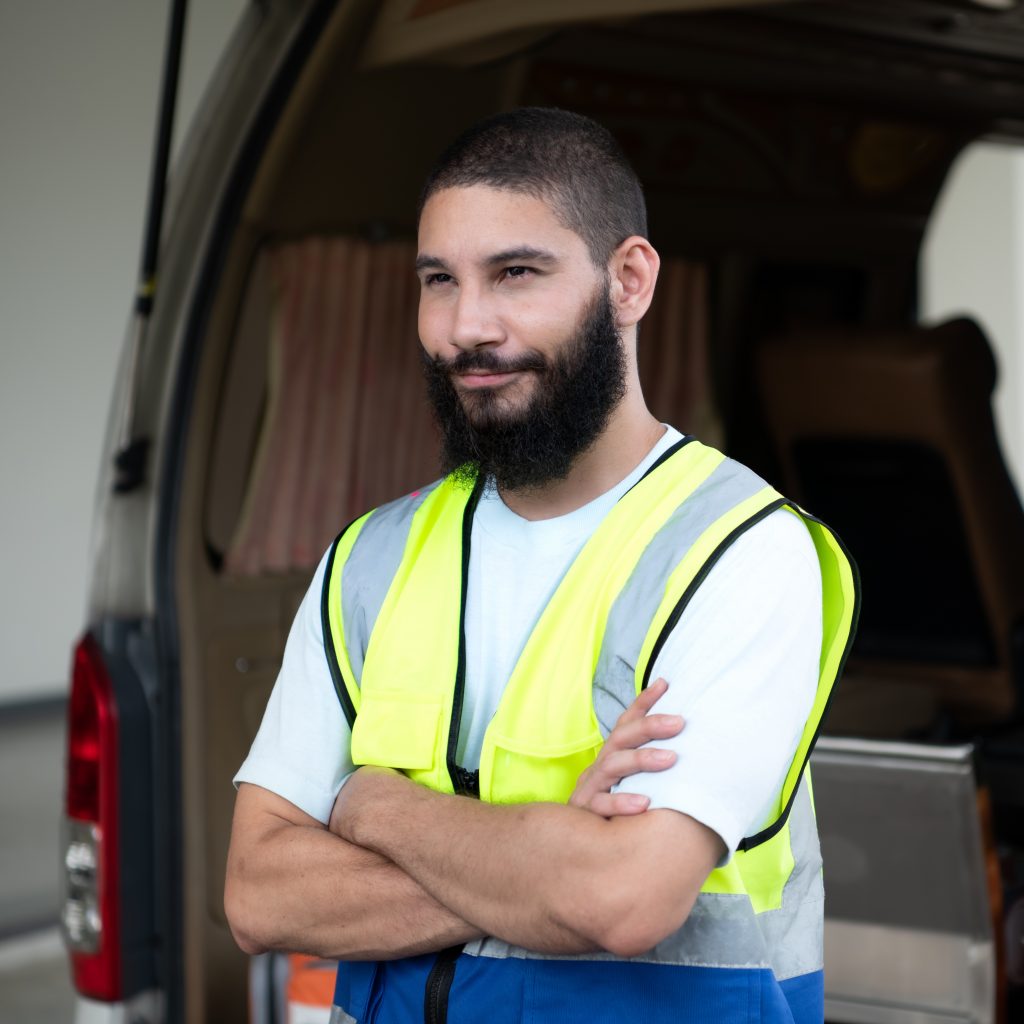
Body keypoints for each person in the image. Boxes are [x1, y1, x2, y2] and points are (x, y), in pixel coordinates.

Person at [225, 107, 858, 1024]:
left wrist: (369, 807)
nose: (466, 326)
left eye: (516, 273)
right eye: (439, 280)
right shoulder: (369, 559)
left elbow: (622, 901)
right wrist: (549, 847)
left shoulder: (741, 552)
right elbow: (257, 894)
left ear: (629, 281)